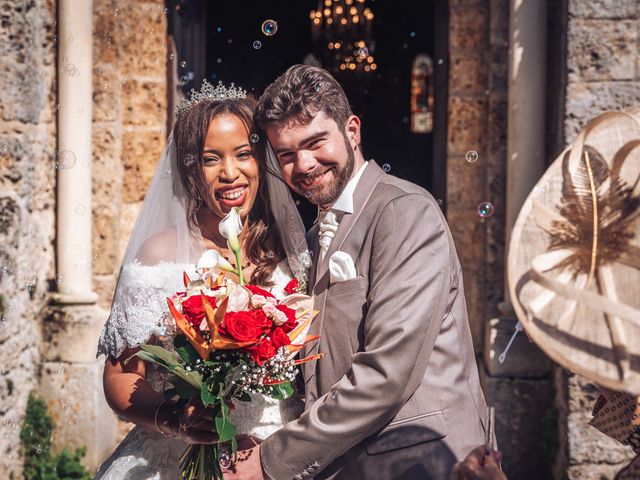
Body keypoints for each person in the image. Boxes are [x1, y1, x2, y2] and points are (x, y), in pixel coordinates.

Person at [226, 64, 489, 480]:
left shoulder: (404, 211)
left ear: (352, 131)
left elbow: (388, 372)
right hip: (350, 463)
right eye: (287, 155)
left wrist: (272, 459)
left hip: (420, 462)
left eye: (315, 142)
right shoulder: (313, 236)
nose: (304, 165)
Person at [94, 81, 309, 479]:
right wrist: (175, 419)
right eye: (212, 159)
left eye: (243, 154)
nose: (231, 173)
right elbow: (120, 375)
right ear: (191, 168)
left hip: (277, 455)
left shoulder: (290, 250)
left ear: (261, 160)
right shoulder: (161, 256)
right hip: (177, 459)